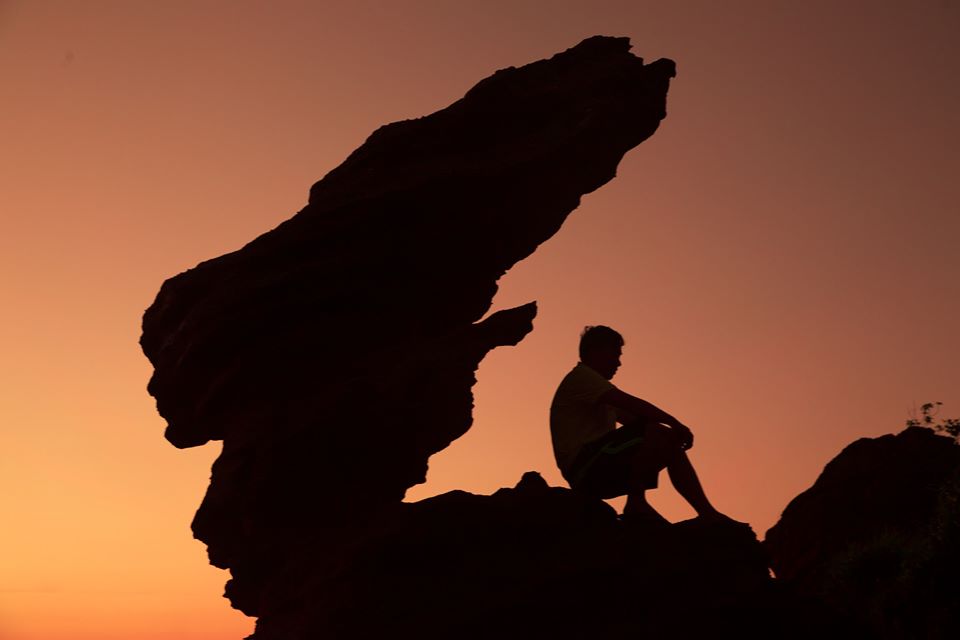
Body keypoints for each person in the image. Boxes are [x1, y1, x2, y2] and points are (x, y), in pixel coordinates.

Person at [550, 325, 732, 524]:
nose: (618, 362)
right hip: (584, 468)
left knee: (664, 436)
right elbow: (632, 404)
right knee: (657, 432)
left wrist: (671, 435)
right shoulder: (582, 378)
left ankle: (705, 511)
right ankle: (637, 502)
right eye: (615, 354)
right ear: (596, 351)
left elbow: (636, 419)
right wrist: (674, 423)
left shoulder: (597, 391)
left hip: (595, 467)